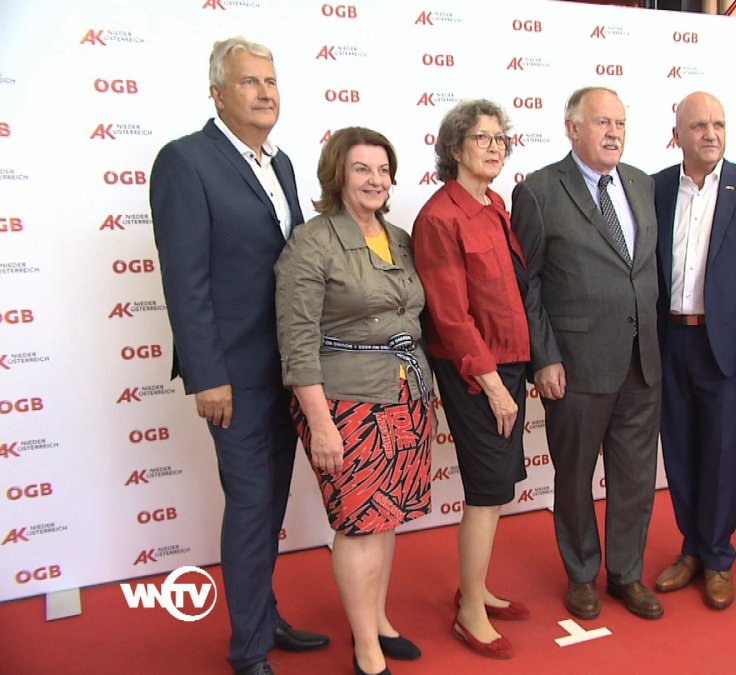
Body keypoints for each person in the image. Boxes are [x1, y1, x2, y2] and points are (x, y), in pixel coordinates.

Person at [149, 37, 328, 675]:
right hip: (233, 376)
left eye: (270, 81)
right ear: (218, 94)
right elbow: (185, 279)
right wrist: (208, 375)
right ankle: (248, 651)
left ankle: (263, 616)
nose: (264, 92)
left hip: (287, 368)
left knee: (270, 505)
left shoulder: (282, 163)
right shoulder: (185, 161)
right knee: (252, 506)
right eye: (249, 81)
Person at [276, 127, 432, 675]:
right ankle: (366, 648)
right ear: (338, 174)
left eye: (383, 170)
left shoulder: (400, 237)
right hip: (347, 403)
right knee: (359, 522)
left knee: (385, 518)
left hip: (406, 393)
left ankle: (379, 622)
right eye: (362, 169)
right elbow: (297, 342)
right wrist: (320, 424)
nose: (375, 180)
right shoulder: (311, 242)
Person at [510, 86, 664, 621]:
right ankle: (581, 575)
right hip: (575, 366)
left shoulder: (642, 183)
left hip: (642, 362)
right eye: (602, 122)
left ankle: (626, 574)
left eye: (619, 123)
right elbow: (526, 283)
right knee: (574, 478)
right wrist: (544, 357)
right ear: (572, 127)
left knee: (635, 479)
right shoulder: (538, 191)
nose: (613, 132)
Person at [649, 91, 736, 609]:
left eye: (719, 125)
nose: (711, 134)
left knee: (722, 454)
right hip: (669, 341)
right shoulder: (655, 188)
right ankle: (691, 549)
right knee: (679, 451)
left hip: (725, 346)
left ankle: (717, 558)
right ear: (677, 136)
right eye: (699, 126)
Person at [411, 100, 530, 660]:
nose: (494, 146)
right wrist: (494, 386)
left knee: (498, 487)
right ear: (454, 148)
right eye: (481, 138)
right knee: (486, 491)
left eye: (500, 137)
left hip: (509, 364)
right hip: (476, 373)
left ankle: (475, 588)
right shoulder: (439, 217)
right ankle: (468, 615)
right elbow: (451, 318)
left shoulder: (494, 203)